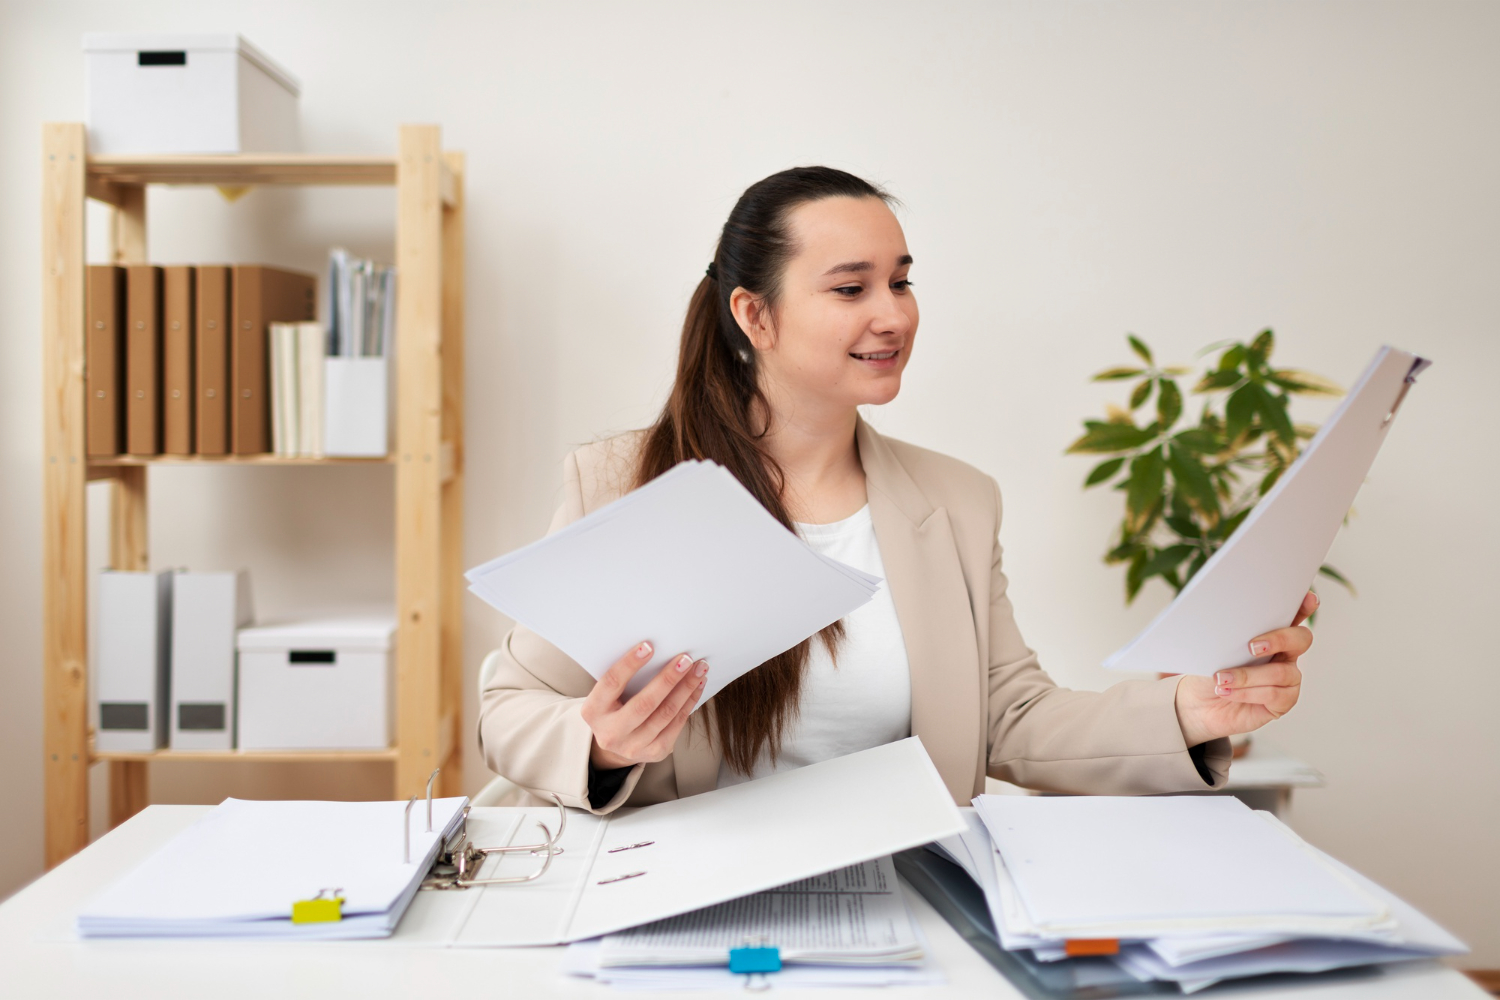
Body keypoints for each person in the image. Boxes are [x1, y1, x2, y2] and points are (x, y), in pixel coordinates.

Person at [477, 166, 1312, 812]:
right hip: (683, 906)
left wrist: (1196, 711)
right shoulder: (624, 484)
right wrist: (600, 743)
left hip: (896, 904)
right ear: (753, 316)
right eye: (851, 288)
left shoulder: (956, 502)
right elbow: (511, 708)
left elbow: (1011, 717)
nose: (894, 315)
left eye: (901, 281)